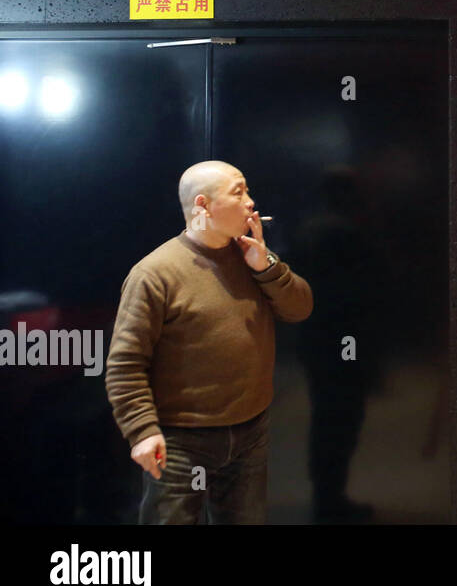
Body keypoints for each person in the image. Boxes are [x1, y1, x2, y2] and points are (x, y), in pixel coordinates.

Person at [105, 160, 313, 524]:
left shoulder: (251, 256)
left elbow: (300, 308)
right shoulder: (155, 273)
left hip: (251, 429)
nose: (250, 202)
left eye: (247, 190)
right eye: (238, 192)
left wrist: (267, 268)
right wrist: (141, 431)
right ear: (202, 206)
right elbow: (125, 364)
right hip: (180, 440)